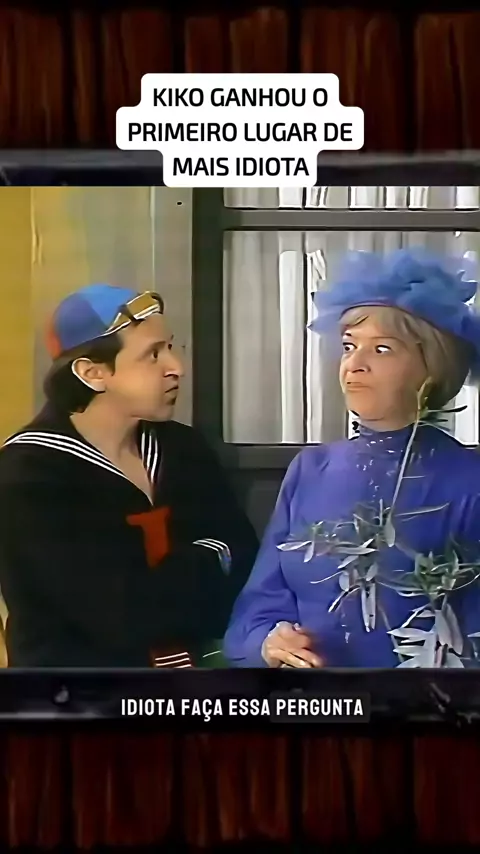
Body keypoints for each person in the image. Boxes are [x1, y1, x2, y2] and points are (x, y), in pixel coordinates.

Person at [223, 248, 480, 669]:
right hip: (311, 701)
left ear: (432, 367)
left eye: (382, 349)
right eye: (348, 347)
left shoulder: (469, 484)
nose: (354, 365)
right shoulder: (311, 470)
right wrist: (270, 642)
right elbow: (258, 608)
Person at [0, 284, 258, 667]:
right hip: (78, 694)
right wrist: (209, 560)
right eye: (152, 355)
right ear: (92, 373)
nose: (177, 367)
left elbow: (247, 565)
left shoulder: (182, 449)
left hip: (194, 684)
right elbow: (119, 616)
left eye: (170, 347)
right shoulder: (29, 474)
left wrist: (157, 583)